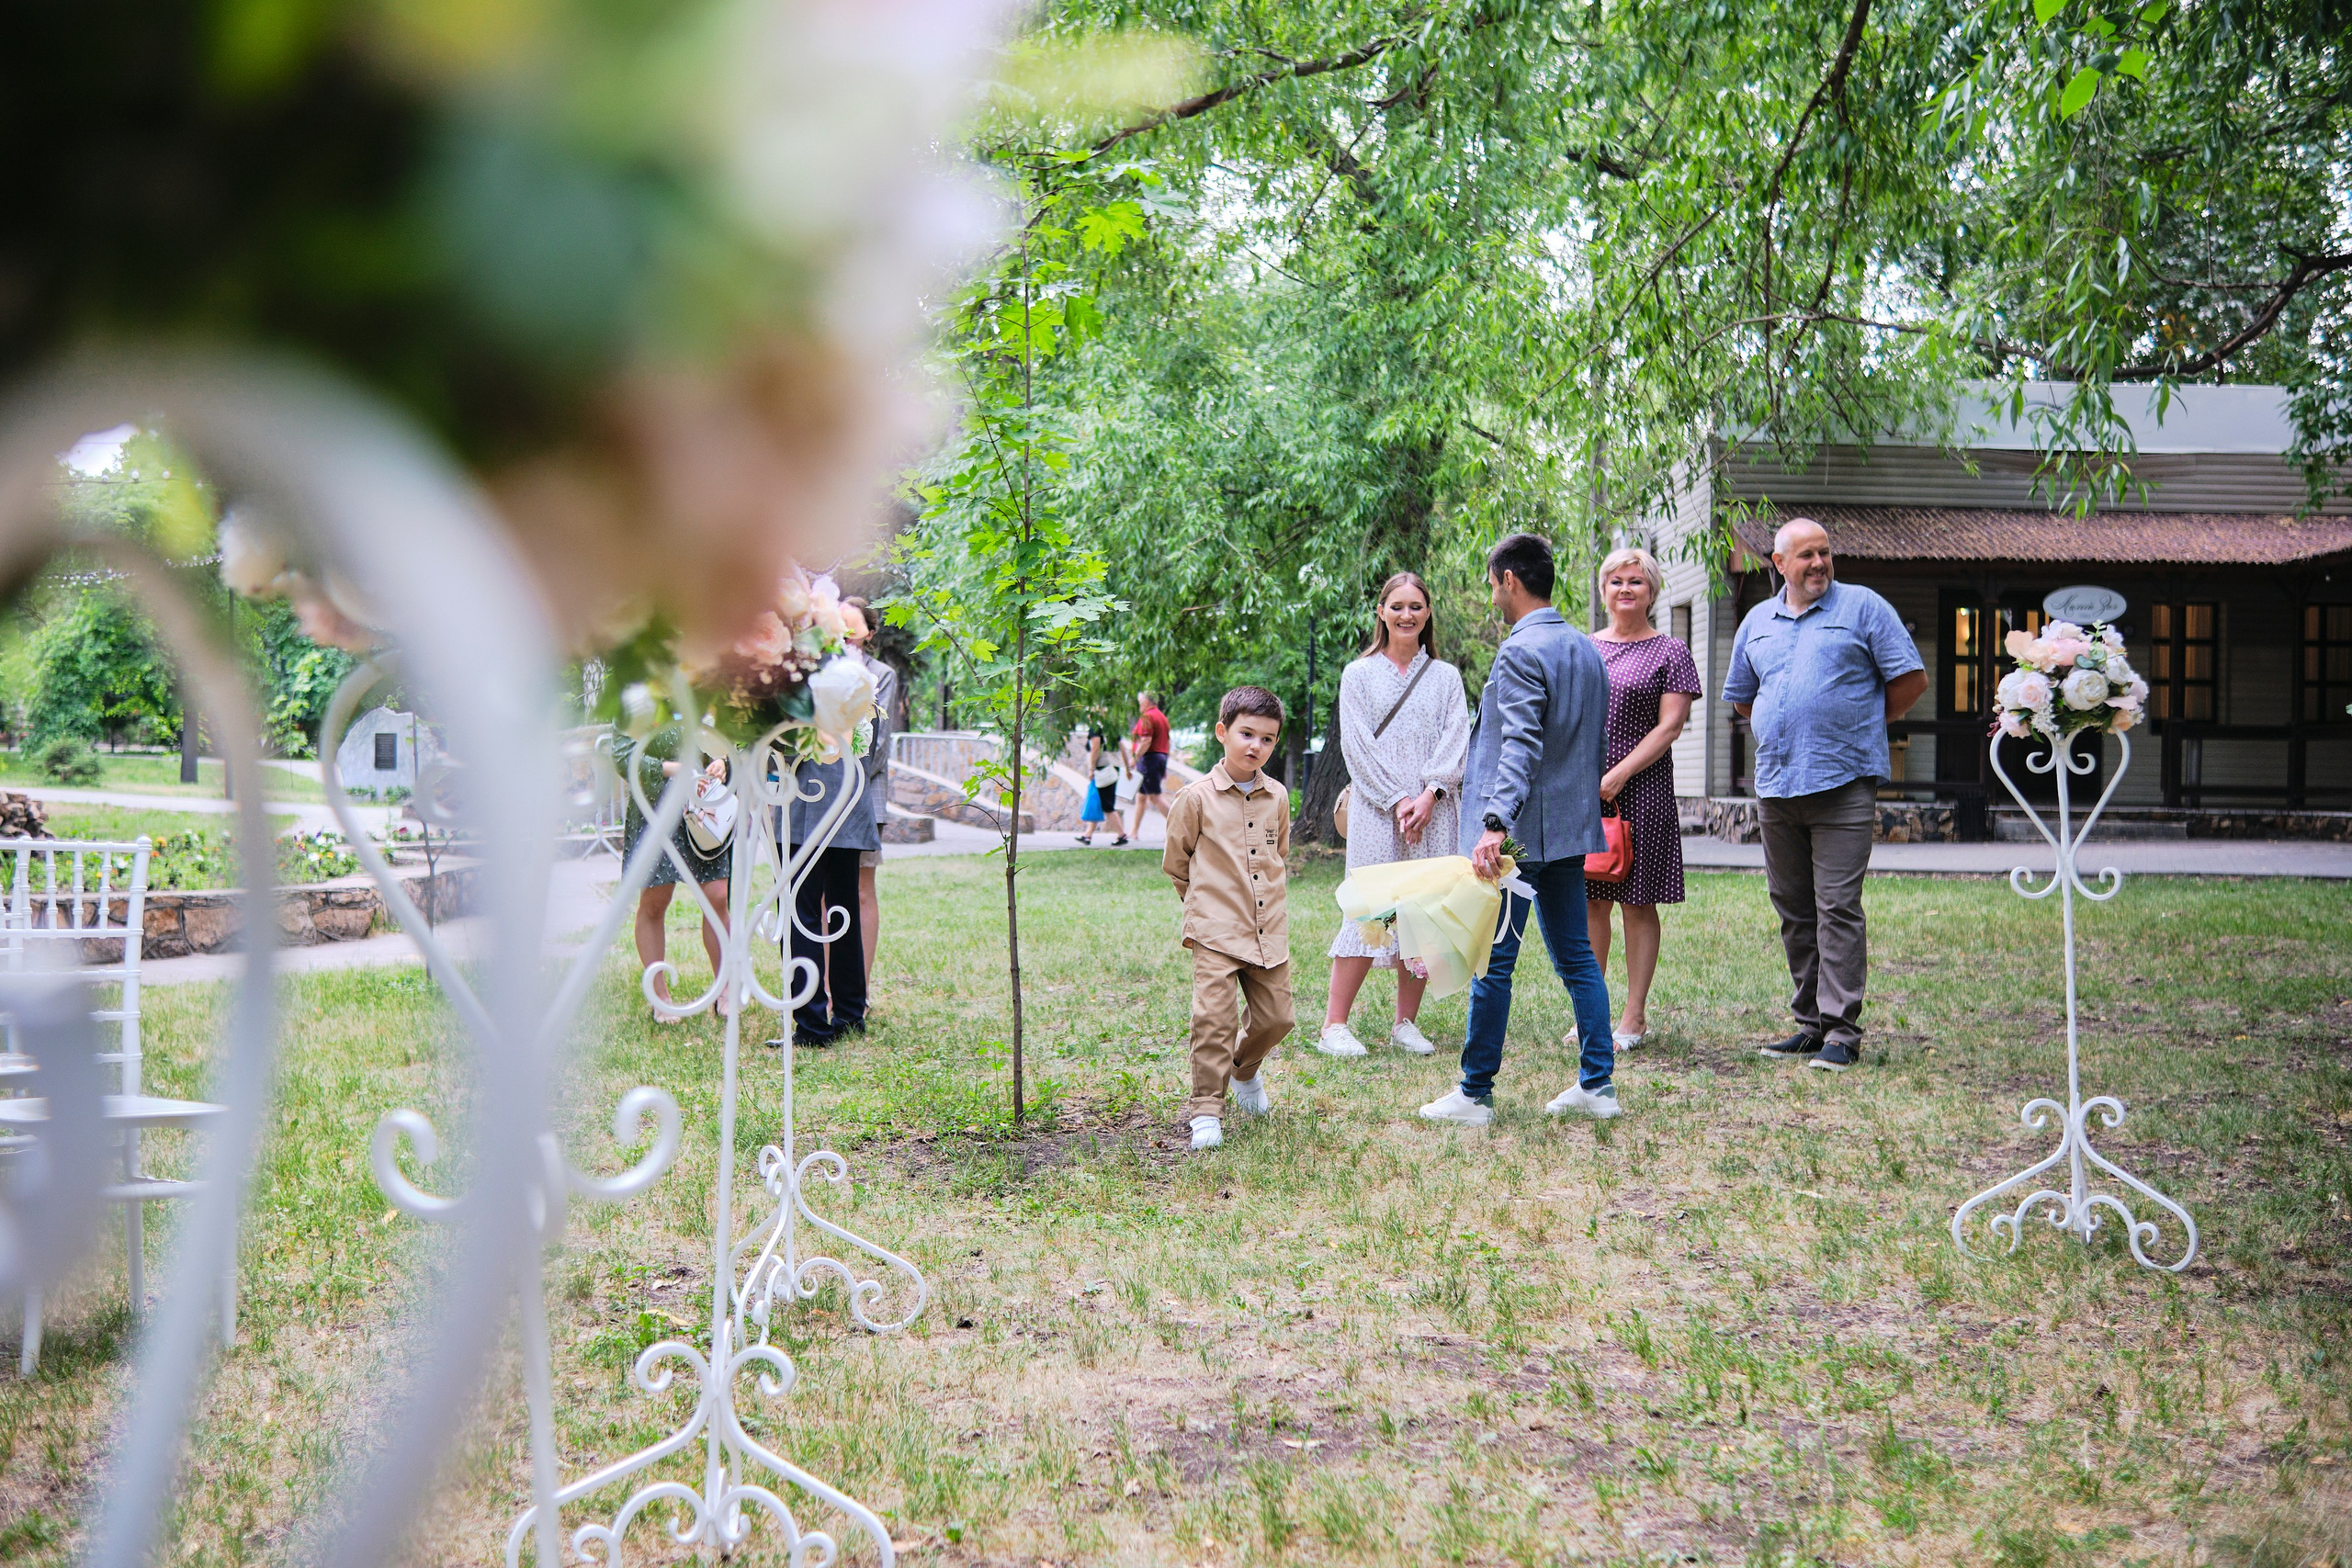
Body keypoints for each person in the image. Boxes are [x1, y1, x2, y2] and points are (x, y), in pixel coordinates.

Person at [1420, 532, 1620, 1126]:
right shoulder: (1585, 648)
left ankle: (1474, 1092)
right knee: (1578, 958)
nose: (1492, 595)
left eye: (1491, 583)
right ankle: (1598, 1084)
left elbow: (1521, 747)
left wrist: (1493, 824)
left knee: (1492, 962)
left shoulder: (1520, 651)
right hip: (1567, 830)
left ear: (1508, 579)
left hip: (1522, 838)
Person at [1723, 517, 1928, 1074]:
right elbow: (1744, 698)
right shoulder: (1757, 622)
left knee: (1836, 906)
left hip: (1843, 783)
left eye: (1825, 553)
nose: (1818, 564)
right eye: (1805, 556)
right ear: (1780, 565)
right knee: (1793, 907)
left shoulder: (1863, 607)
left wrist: (1855, 723)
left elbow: (1910, 679)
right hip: (1777, 782)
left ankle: (1842, 1031)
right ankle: (1809, 1025)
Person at [1320, 570, 1471, 1059]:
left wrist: (1429, 795)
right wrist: (1398, 799)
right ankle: (1334, 1025)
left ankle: (1406, 1022)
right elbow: (1356, 745)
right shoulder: (1358, 674)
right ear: (1381, 612)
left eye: (1417, 606)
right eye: (1398, 606)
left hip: (1435, 810)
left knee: (1421, 914)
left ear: (1428, 614)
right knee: (1371, 913)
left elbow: (1457, 738)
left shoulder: (1446, 677)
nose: (1407, 615)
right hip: (1376, 810)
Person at [1161, 686, 1294, 1153]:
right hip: (1216, 931)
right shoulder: (1195, 799)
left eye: (1268, 739)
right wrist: (1205, 906)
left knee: (1278, 1018)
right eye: (1246, 734)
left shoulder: (1276, 795)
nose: (1256, 746)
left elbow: (1279, 854)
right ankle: (1205, 1112)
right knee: (1213, 1021)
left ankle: (1244, 1073)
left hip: (1267, 929)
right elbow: (1177, 863)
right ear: (1223, 732)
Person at [1584, 547, 1703, 1050]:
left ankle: (1633, 1017)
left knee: (1636, 903)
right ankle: (1590, 1012)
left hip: (1644, 789)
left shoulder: (1671, 650)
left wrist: (1618, 775)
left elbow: (1671, 726)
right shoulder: (1584, 648)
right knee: (1590, 903)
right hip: (1587, 790)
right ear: (1603, 591)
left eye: (1636, 581)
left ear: (1652, 592)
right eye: (1616, 581)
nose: (1626, 589)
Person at [615, 733, 732, 1022]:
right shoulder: (637, 690)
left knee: (717, 894)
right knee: (655, 899)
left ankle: (726, 988)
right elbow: (622, 755)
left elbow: (729, 737)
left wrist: (721, 761)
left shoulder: (704, 689)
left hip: (703, 804)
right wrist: (673, 768)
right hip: (655, 808)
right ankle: (660, 998)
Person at [784, 739, 881, 1046]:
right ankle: (850, 1015)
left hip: (806, 803)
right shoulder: (866, 694)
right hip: (847, 803)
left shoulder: (796, 692)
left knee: (802, 914)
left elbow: (784, 742)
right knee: (844, 910)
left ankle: (812, 1025)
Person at [841, 597, 895, 984]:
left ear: (870, 633)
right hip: (820, 798)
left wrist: (847, 781)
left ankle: (859, 985)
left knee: (861, 891)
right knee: (825, 896)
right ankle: (827, 984)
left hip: (864, 797)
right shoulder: (819, 670)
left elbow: (879, 743)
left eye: (853, 624)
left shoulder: (884, 675)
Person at [1124, 690, 1173, 843]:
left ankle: (1178, 830)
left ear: (1146, 703)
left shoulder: (1147, 717)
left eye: (1140, 703)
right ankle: (1133, 832)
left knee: (1154, 797)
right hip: (1158, 758)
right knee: (1141, 797)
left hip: (1149, 759)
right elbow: (1168, 742)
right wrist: (1164, 764)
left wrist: (1134, 758)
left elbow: (1145, 741)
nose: (1139, 707)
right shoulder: (1162, 717)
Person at [1077, 720, 1119, 844]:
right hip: (1108, 770)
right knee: (1096, 802)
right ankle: (1088, 835)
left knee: (1107, 806)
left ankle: (1121, 834)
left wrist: (1091, 768)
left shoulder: (1095, 728)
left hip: (1102, 773)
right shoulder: (1109, 727)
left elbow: (1095, 747)